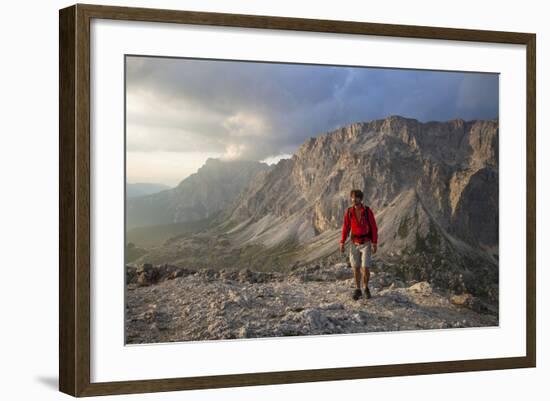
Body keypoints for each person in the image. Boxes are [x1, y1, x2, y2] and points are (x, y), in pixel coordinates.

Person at [339, 189, 378, 300]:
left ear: (361, 199)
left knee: (365, 268)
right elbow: (346, 228)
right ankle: (357, 289)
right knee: (356, 268)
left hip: (366, 242)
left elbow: (374, 227)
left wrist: (374, 242)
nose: (354, 199)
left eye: (356, 197)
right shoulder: (349, 212)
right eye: (352, 197)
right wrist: (342, 242)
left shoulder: (367, 211)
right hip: (353, 243)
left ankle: (365, 288)